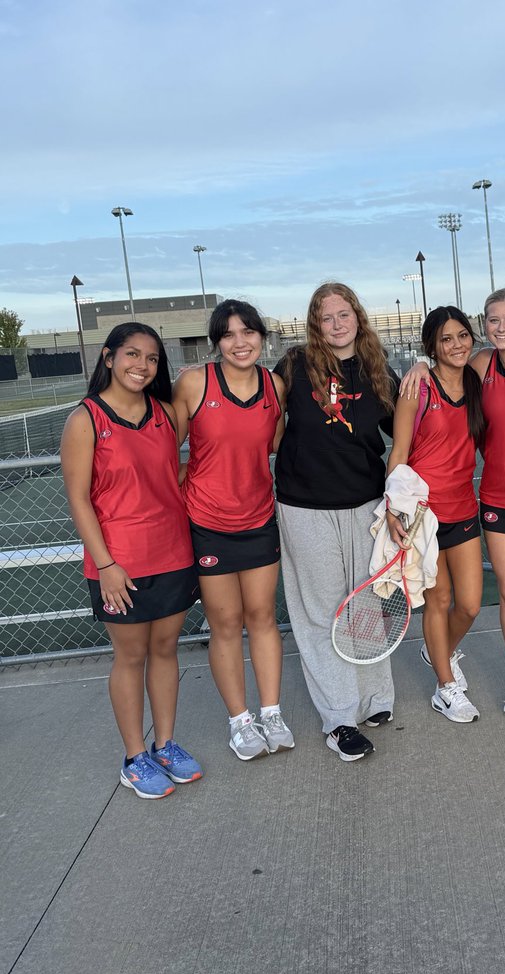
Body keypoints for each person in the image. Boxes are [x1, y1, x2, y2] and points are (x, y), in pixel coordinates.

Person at [400, 289, 505, 715]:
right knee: (502, 594)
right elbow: (439, 374)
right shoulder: (476, 366)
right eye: (493, 320)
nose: (501, 327)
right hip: (475, 505)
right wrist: (421, 364)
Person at [61, 323, 202, 799]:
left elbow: (171, 469)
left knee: (165, 651)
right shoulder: (85, 419)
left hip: (174, 552)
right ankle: (134, 756)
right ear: (108, 358)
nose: (141, 365)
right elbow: (79, 499)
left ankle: (165, 745)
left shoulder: (165, 413)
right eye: (132, 354)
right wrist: (105, 565)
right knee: (131, 656)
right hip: (119, 563)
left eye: (151, 358)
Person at [274, 282, 399, 761]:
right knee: (323, 609)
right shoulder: (294, 365)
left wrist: (424, 369)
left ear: (358, 317)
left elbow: (404, 425)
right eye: (327, 318)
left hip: (366, 502)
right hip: (305, 505)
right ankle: (339, 718)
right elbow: (260, 412)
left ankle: (373, 699)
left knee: (366, 603)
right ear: (315, 323)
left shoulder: (376, 368)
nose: (337, 324)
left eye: (344, 314)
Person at [173, 299, 293, 761]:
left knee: (263, 617)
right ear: (216, 341)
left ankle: (271, 712)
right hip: (208, 522)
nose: (239, 342)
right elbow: (167, 451)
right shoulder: (194, 383)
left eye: (248, 332)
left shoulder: (273, 385)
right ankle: (240, 721)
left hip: (259, 518)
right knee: (225, 623)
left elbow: (276, 442)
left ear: (262, 337)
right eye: (228, 334)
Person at [388, 307, 485, 723]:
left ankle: (437, 649)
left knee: (471, 605)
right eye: (446, 339)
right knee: (439, 601)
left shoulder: (478, 378)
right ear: (432, 345)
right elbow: (399, 454)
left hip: (464, 508)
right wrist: (395, 507)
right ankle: (446, 688)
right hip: (424, 515)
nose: (457, 344)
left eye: (463, 335)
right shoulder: (416, 389)